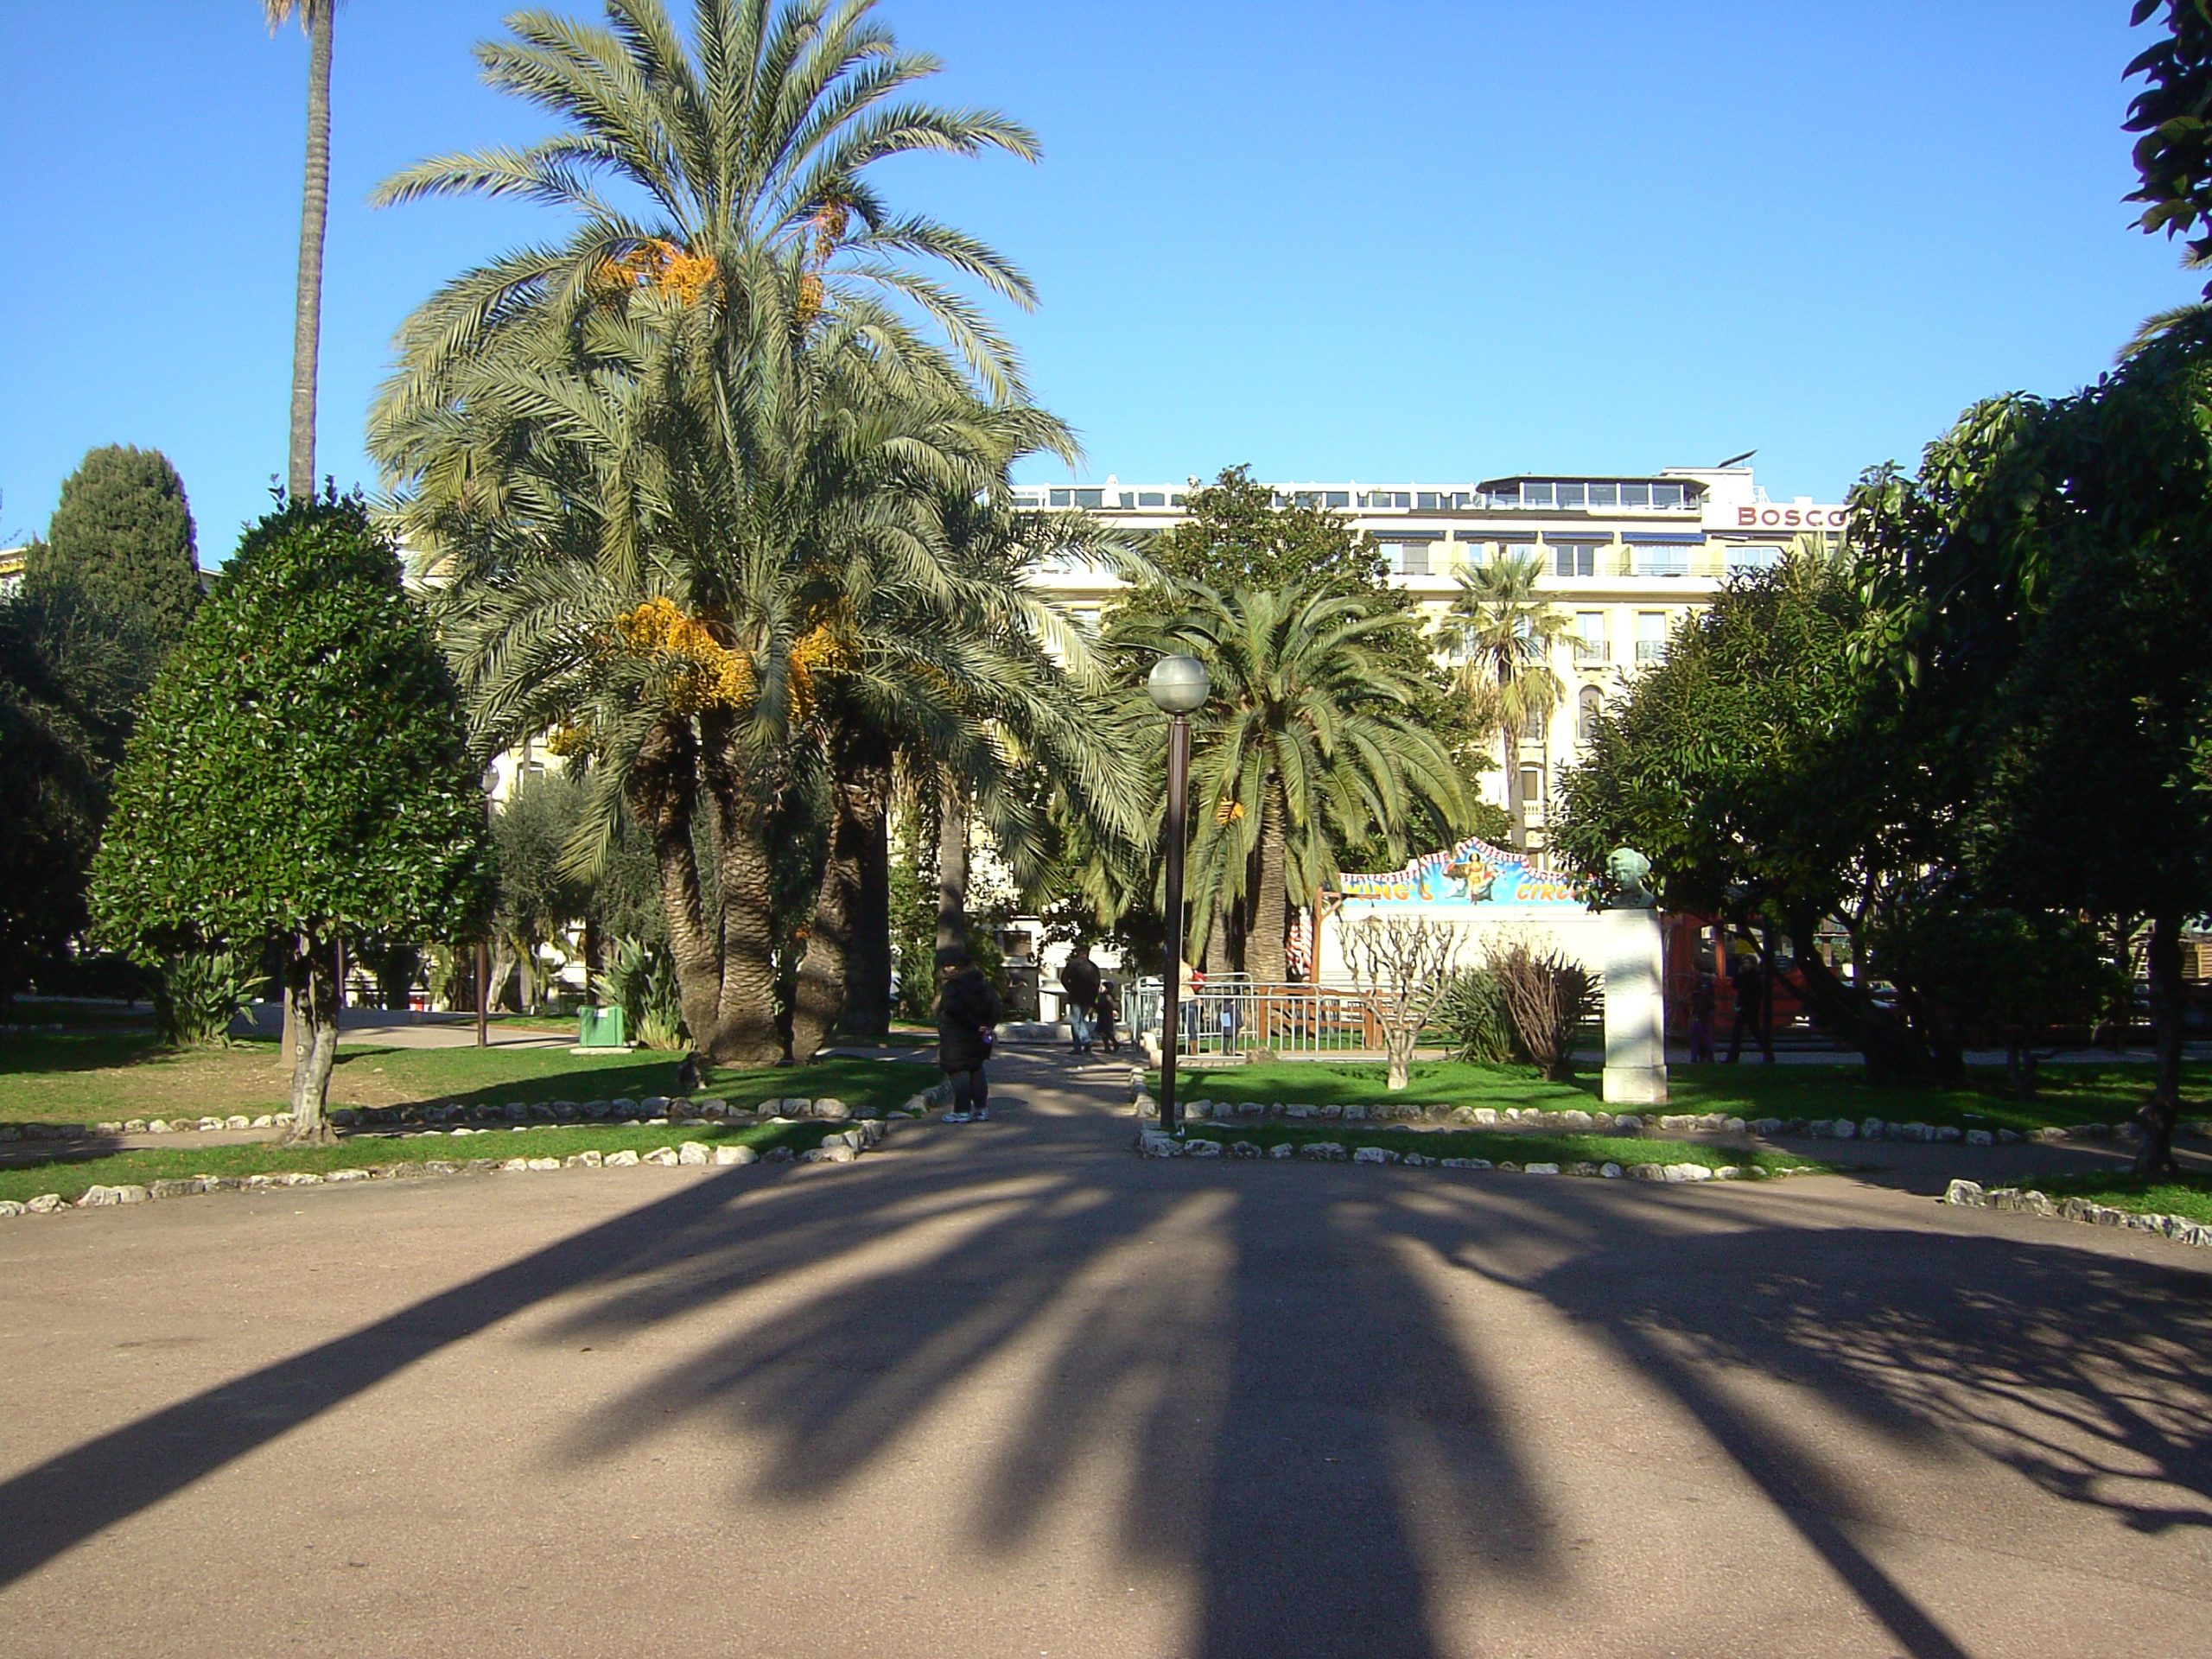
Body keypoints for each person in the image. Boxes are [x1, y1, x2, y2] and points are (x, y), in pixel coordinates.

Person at [934, 946, 1003, 1122]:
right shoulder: (983, 985)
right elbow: (996, 1006)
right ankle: (981, 1108)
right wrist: (987, 1025)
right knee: (976, 1069)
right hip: (979, 1037)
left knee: (958, 1070)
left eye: (951, 966)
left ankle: (961, 1110)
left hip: (957, 1035)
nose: (947, 970)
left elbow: (952, 1009)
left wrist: (974, 1025)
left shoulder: (953, 987)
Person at [1726, 943, 1774, 1064]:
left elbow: (1757, 993)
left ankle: (1733, 1058)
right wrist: (1739, 973)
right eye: (1744, 963)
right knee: (1747, 1032)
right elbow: (1735, 985)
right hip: (1744, 1006)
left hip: (1750, 1007)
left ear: (1753, 964)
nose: (1746, 965)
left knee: (1746, 1032)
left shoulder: (1755, 976)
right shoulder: (1744, 975)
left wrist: (1750, 1004)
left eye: (1748, 963)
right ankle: (1767, 1055)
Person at [1060, 942, 1103, 1055]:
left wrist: (1069, 988)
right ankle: (1081, 1046)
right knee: (1079, 1021)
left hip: (1076, 996)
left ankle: (1083, 1041)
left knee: (1075, 1021)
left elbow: (1064, 979)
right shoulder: (1093, 967)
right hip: (1088, 998)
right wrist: (1094, 998)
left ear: (1078, 953)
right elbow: (1097, 983)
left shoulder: (1073, 964)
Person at [1688, 973, 1716, 1064]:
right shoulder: (1705, 983)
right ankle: (1704, 1057)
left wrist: (1698, 1011)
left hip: (1701, 1013)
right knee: (1702, 1035)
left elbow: (1702, 999)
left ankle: (1697, 1057)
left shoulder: (1703, 984)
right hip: (1703, 1012)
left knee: (1698, 1035)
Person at [1094, 981, 1121, 1053]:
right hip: (1104, 1015)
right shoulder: (1106, 995)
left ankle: (1113, 1045)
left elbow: (1106, 1005)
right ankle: (1108, 1047)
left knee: (1106, 1032)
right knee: (1105, 1032)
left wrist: (1094, 1005)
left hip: (1105, 1015)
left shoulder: (1106, 996)